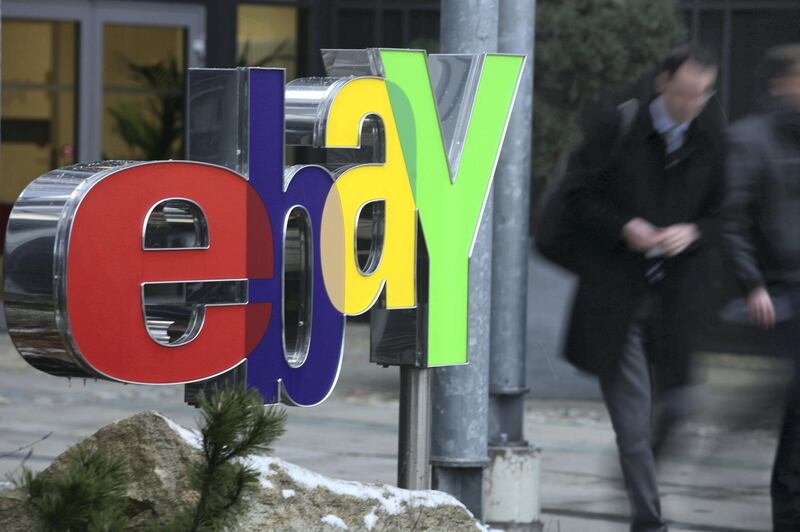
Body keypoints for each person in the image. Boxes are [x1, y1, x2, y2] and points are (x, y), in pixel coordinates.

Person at [560, 44, 725, 532]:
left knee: (679, 406)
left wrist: (693, 232)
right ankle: (648, 520)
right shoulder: (621, 126)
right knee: (633, 424)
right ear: (663, 84)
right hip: (618, 300)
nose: (691, 106)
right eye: (683, 94)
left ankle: (635, 477)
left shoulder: (711, 135)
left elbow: (724, 214)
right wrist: (625, 226)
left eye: (702, 95)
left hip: (676, 301)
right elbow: (576, 197)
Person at [723, 44, 800, 532]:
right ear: (781, 84)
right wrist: (753, 284)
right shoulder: (751, 140)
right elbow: (731, 220)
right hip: (780, 300)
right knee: (794, 437)